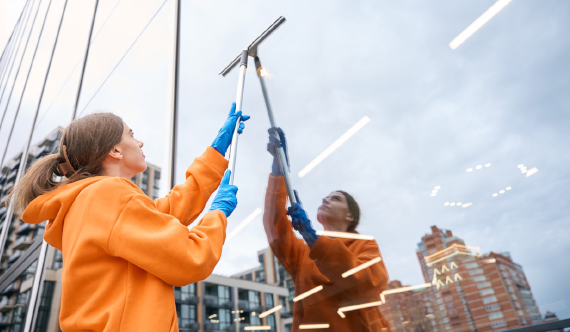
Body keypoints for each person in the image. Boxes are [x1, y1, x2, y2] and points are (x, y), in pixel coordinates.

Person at [6, 103, 249, 332]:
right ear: (115, 150)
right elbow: (190, 257)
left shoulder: (87, 201)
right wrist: (217, 213)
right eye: (132, 135)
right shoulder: (108, 195)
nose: (140, 142)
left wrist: (215, 153)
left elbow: (161, 216)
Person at [263, 127, 392, 332]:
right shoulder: (303, 253)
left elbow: (366, 285)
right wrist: (279, 172)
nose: (325, 199)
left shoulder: (364, 245)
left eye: (336, 198)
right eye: (326, 197)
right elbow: (275, 227)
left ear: (350, 217)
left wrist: (313, 237)